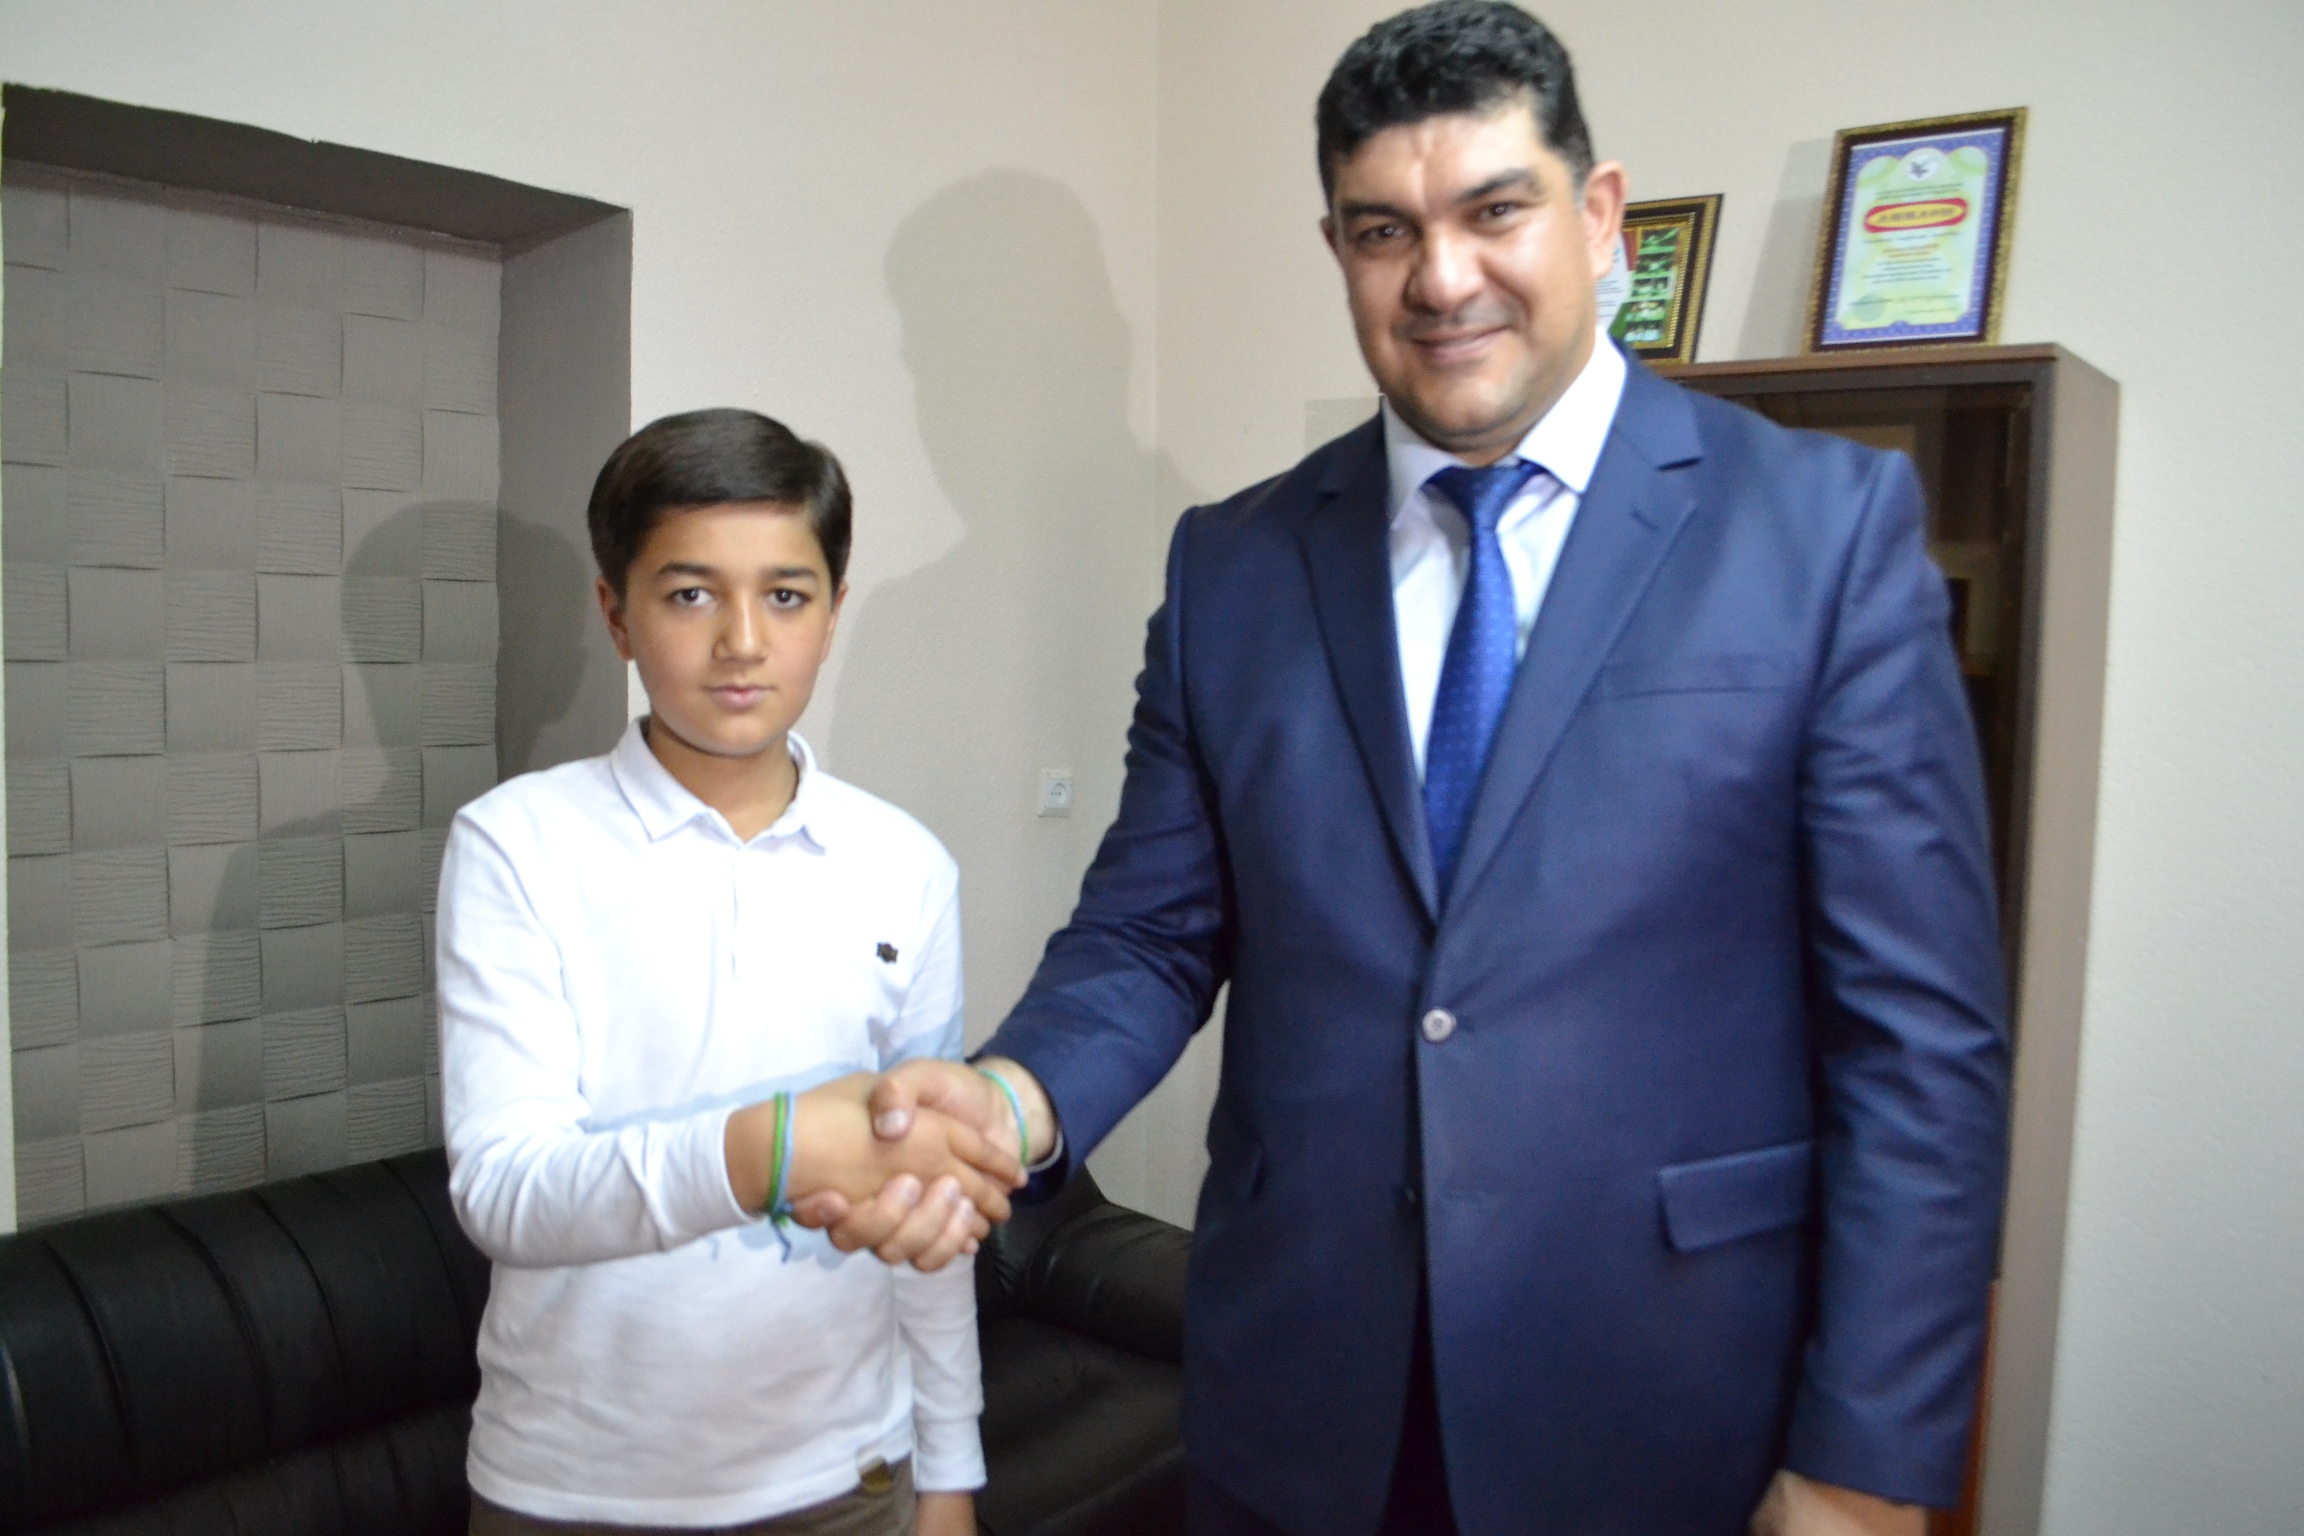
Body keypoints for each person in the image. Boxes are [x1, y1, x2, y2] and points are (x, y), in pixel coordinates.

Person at [812, 4, 2011, 1533]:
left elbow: (1921, 1044)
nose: (1442, 280)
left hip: (1668, 1402)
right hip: (1303, 1402)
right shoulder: (1234, 564)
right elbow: (1149, 934)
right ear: (1338, 250)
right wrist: (1011, 1102)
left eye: (1495, 211)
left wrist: (1864, 1466)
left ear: (1599, 215)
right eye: (1384, 230)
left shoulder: (1825, 531)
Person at [438, 410, 1023, 1536]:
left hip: (850, 1477)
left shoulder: (906, 864)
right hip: (573, 1485)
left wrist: (950, 1466)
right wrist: (772, 1149)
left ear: (833, 614)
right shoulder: (517, 845)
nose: (743, 641)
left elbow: (925, 1196)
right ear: (617, 613)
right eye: (691, 594)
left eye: (787, 595)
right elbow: (505, 1191)